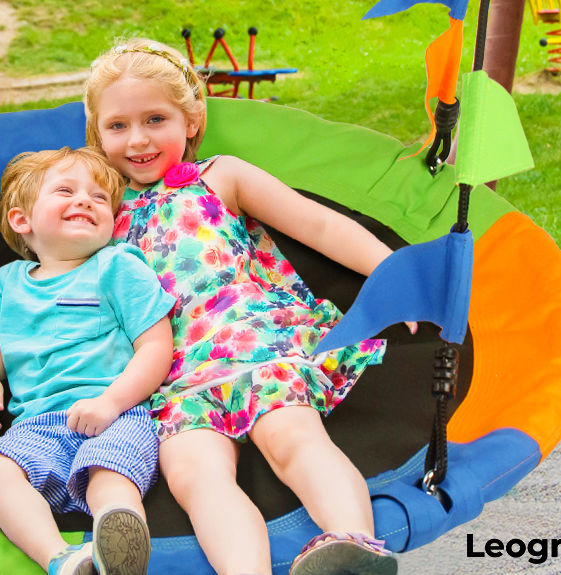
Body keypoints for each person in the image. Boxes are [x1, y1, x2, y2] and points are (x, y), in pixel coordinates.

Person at [82, 38, 411, 575]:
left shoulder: (220, 176)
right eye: (117, 126)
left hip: (250, 342)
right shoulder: (97, 209)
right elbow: (48, 285)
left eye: (155, 119)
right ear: (97, 135)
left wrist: (393, 275)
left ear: (192, 119)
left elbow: (318, 224)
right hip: (169, 375)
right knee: (195, 475)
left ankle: (354, 547)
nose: (137, 140)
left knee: (292, 437)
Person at [0, 146, 176, 575]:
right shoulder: (6, 284)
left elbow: (155, 346)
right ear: (23, 221)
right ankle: (61, 559)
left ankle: (120, 544)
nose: (85, 201)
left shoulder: (117, 267)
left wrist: (111, 402)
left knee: (109, 471)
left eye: (98, 199)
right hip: (37, 425)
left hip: (116, 412)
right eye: (66, 190)